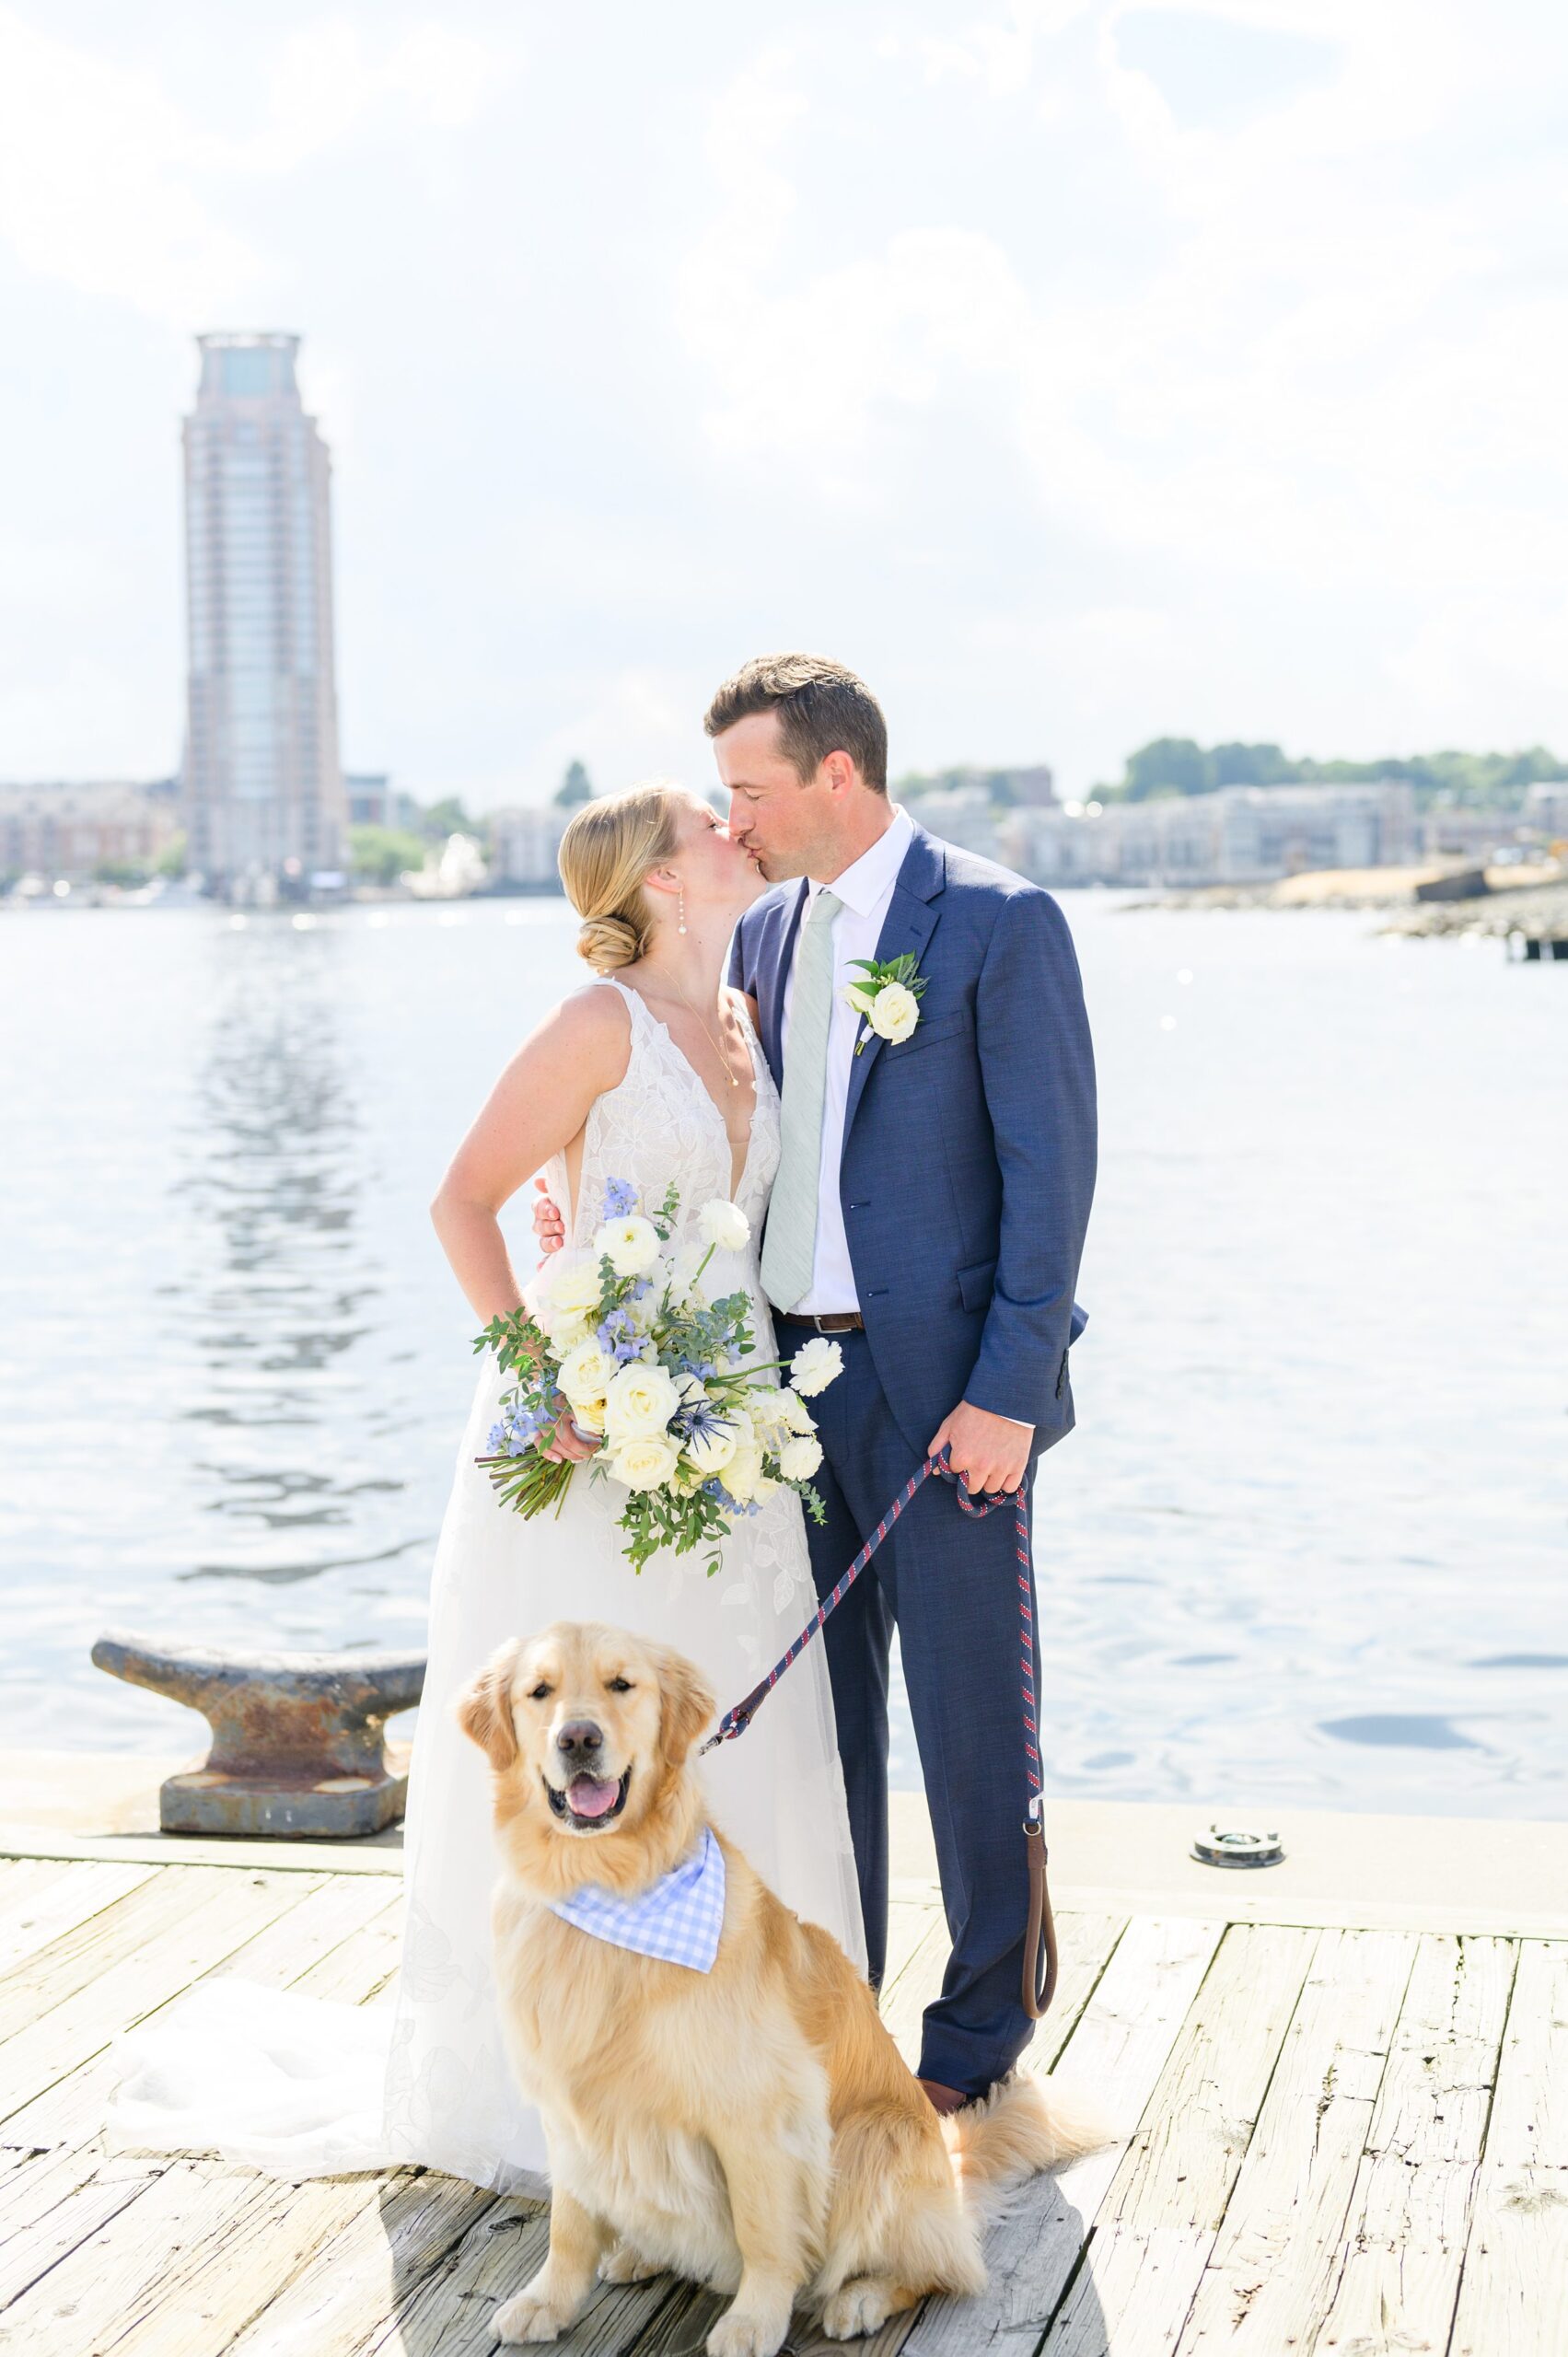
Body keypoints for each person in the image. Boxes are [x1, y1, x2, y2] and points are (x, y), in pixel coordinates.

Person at [108, 781, 864, 2192]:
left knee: (735, 1726)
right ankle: (560, 2091)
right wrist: (555, 1378)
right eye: (710, 825)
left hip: (729, 1424)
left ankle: (742, 2078)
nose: (733, 833)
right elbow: (463, 1198)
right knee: (585, 1749)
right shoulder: (599, 1026)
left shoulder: (750, 1023)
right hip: (592, 1438)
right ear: (658, 878)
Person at [536, 656, 1096, 2113]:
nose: (741, 819)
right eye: (724, 796)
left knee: (974, 1728)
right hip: (779, 1398)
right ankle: (839, 2025)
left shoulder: (994, 922)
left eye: (755, 791)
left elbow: (1053, 1183)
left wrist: (1010, 1394)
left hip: (953, 1398)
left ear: (837, 775)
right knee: (820, 1734)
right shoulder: (763, 930)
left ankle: (974, 2056)